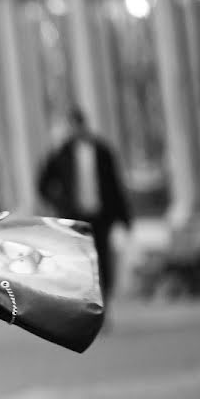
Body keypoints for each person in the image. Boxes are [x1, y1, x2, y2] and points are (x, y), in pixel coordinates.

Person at [38, 107, 132, 303]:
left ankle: (104, 301)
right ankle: (87, 301)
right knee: (81, 263)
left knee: (102, 260)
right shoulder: (62, 152)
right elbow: (43, 182)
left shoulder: (101, 150)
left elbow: (114, 185)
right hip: (75, 217)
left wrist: (124, 217)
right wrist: (59, 203)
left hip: (100, 216)